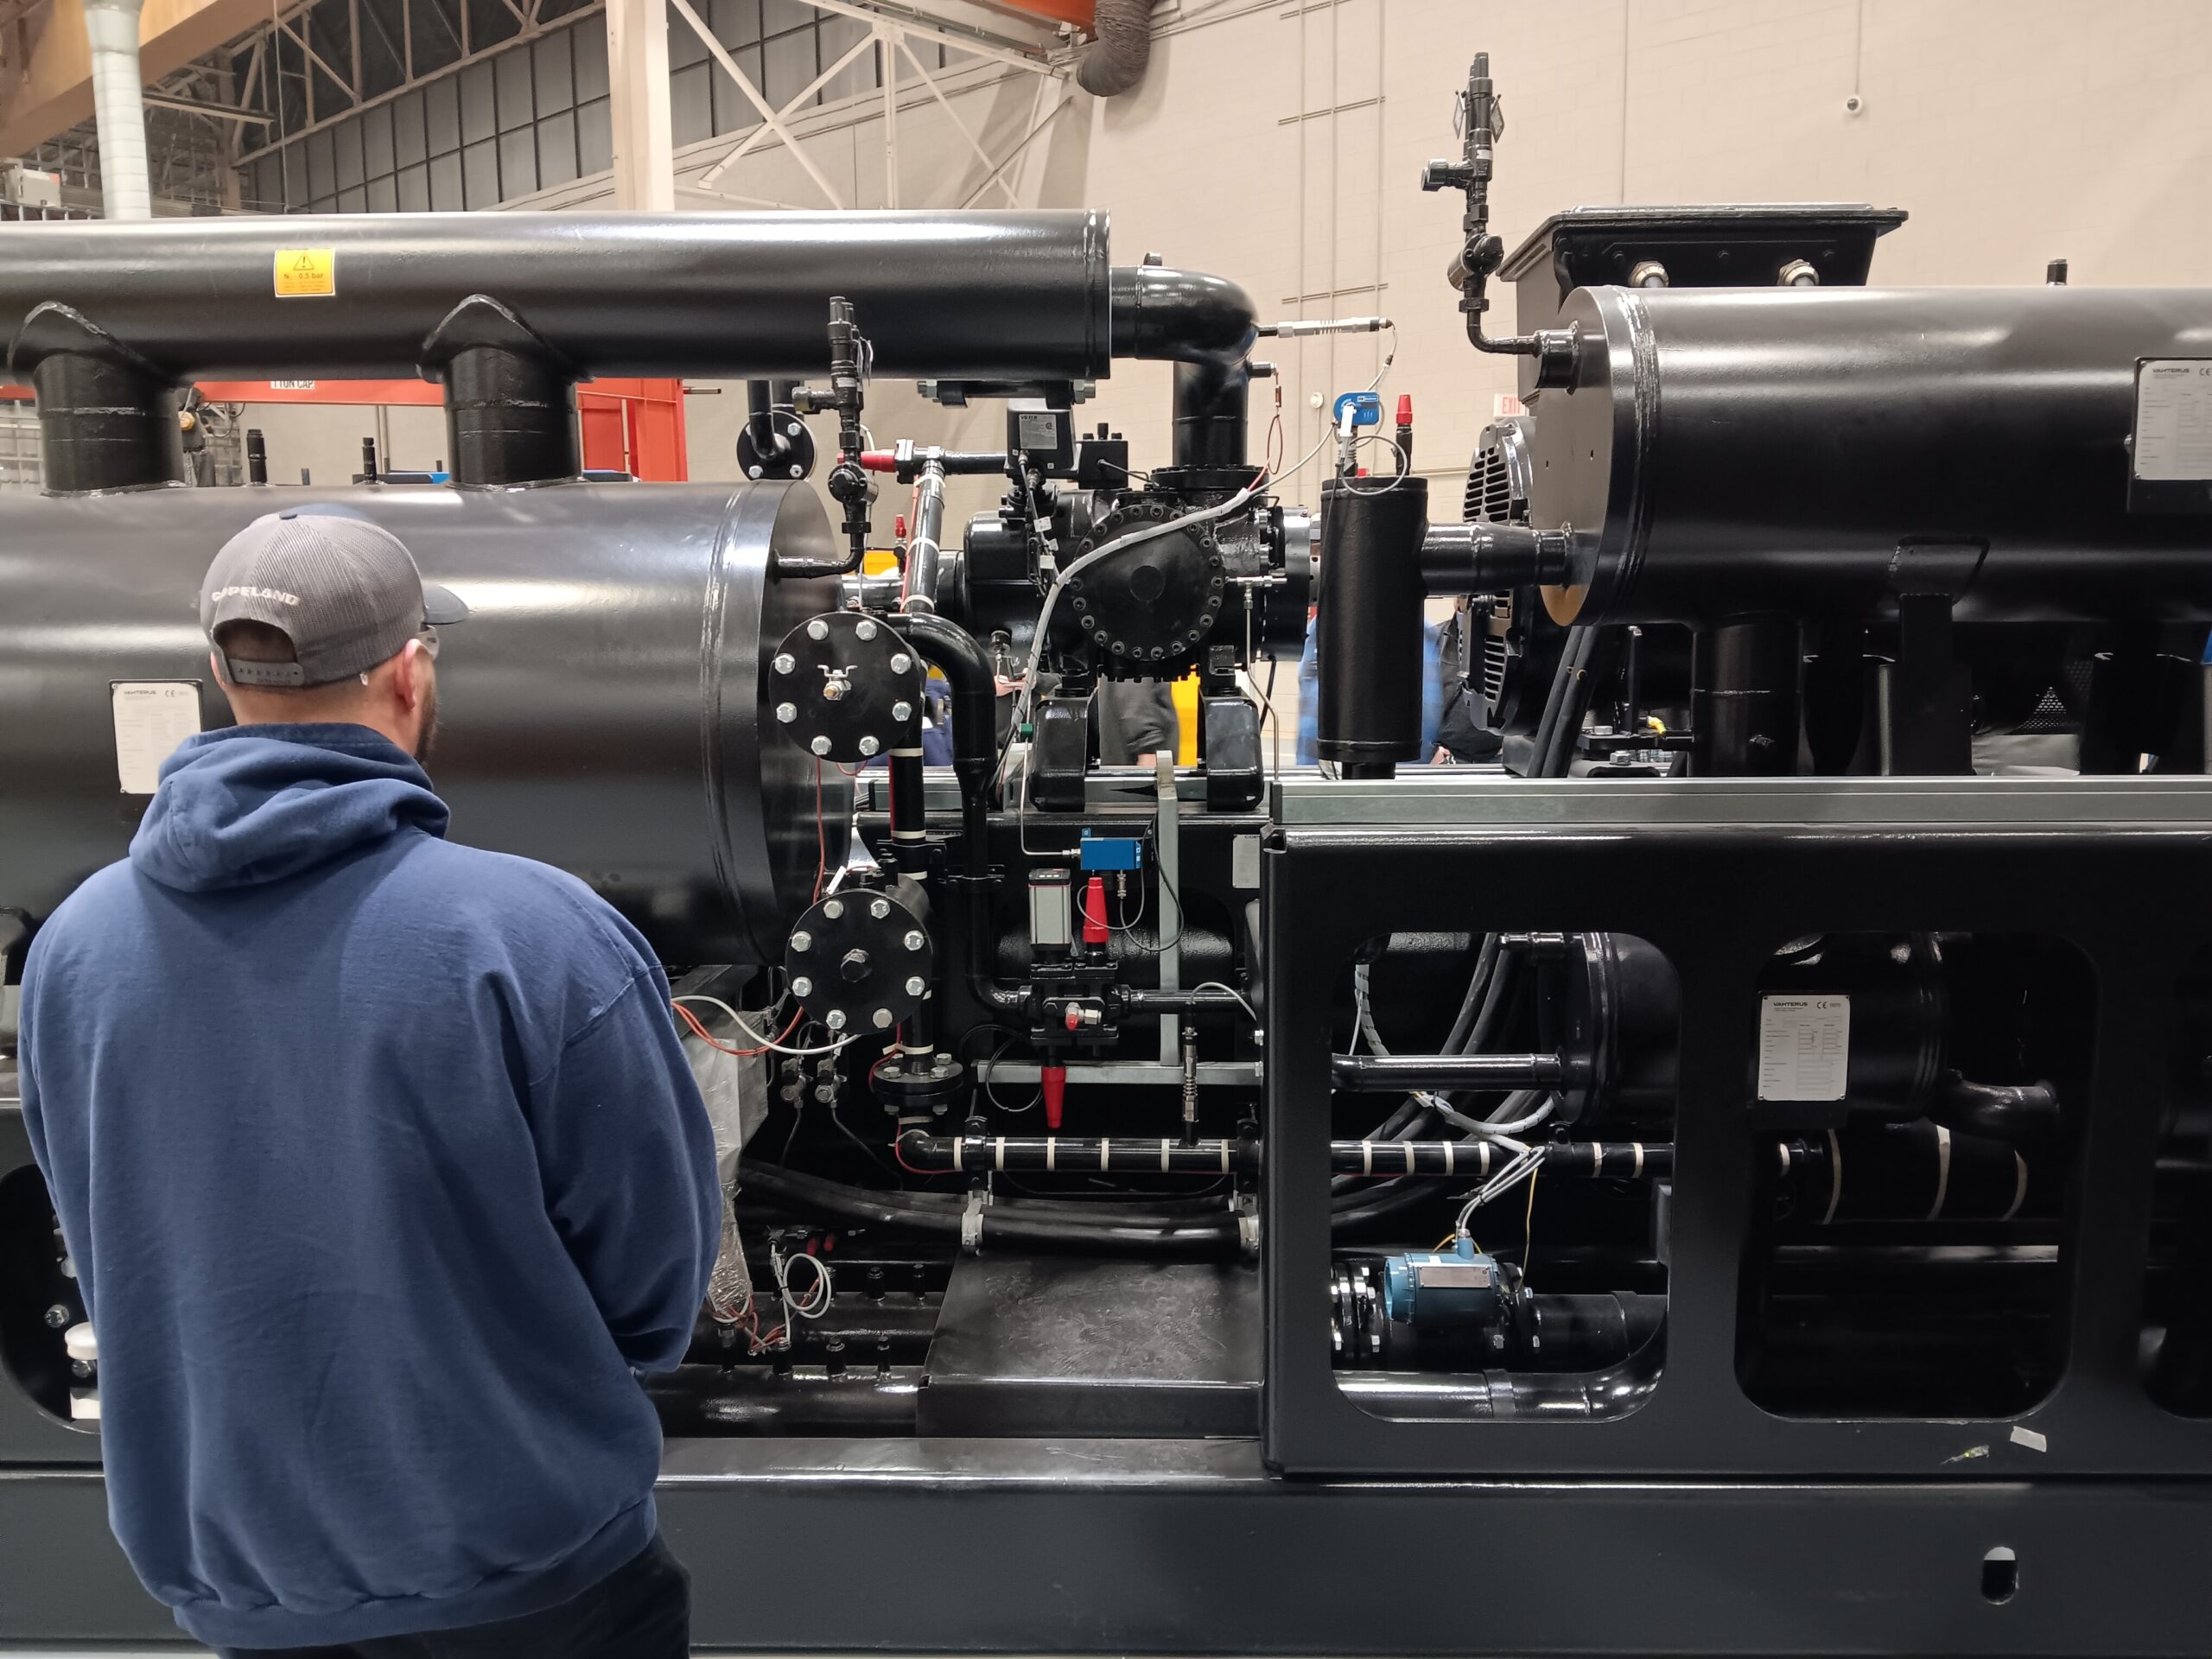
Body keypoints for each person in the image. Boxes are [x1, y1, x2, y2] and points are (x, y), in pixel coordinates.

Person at [16, 508, 721, 1658]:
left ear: (221, 677)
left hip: (251, 1587)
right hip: (529, 1577)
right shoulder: (537, 938)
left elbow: (112, 1240)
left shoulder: (75, 952)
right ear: (410, 672)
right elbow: (652, 1298)